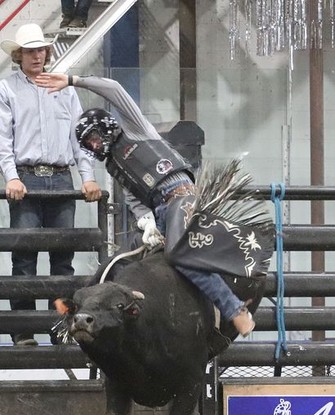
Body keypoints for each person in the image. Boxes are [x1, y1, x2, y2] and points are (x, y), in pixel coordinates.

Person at [35, 72, 261, 337]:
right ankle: (79, 312)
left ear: (106, 127)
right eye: (89, 144)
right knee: (120, 263)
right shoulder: (114, 166)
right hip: (162, 211)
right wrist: (147, 222)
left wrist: (73, 81)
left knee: (180, 256)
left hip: (182, 197)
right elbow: (135, 199)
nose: (94, 145)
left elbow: (114, 89)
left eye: (94, 137)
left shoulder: (135, 128)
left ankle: (235, 310)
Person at [0, 24, 102, 345]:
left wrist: (87, 177)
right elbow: (3, 139)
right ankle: (24, 331)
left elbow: (80, 138)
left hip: (61, 178)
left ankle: (60, 329)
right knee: (25, 259)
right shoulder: (7, 89)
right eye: (30, 50)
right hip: (26, 178)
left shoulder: (65, 89)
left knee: (62, 260)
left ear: (46, 52)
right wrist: (11, 176)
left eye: (40, 50)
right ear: (19, 55)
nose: (36, 55)